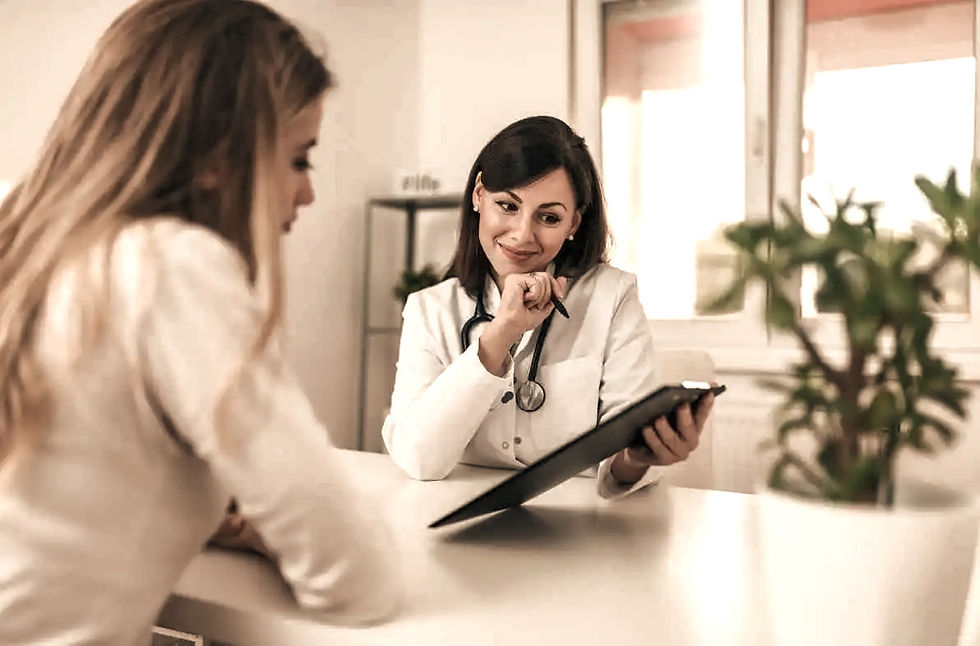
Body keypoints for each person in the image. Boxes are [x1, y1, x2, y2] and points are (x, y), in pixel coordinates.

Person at [0, 1, 400, 642]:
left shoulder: (22, 233)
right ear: (217, 156)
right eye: (300, 159)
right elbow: (355, 576)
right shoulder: (169, 265)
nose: (309, 193)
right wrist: (275, 532)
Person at [381, 115, 714, 497]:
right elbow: (419, 460)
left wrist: (638, 458)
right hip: (454, 517)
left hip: (581, 529)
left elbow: (620, 455)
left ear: (575, 221)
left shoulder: (612, 296)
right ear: (478, 195)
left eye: (549, 217)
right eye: (507, 206)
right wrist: (499, 334)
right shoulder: (430, 310)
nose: (522, 234)